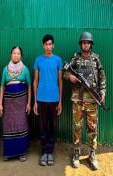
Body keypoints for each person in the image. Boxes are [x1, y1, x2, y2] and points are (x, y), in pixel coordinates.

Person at [63, 32, 106, 170]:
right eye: (83, 42)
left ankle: (92, 154)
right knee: (77, 127)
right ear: (81, 44)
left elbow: (102, 77)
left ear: (91, 44)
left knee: (92, 128)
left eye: (88, 42)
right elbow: (65, 72)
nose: (85, 44)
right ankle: (76, 152)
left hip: (93, 99)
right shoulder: (75, 58)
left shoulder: (96, 59)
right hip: (78, 100)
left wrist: (103, 92)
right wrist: (70, 77)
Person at [33, 34, 63, 166]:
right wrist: (34, 101)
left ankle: (50, 151)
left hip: (55, 99)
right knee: (43, 126)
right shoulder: (38, 60)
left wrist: (60, 101)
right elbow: (35, 81)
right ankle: (44, 151)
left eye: (50, 44)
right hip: (41, 99)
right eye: (46, 44)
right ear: (43, 45)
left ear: (53, 45)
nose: (48, 46)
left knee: (53, 126)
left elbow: (60, 82)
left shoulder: (58, 60)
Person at [0, 46, 32, 161]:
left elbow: (29, 86)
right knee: (8, 126)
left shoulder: (25, 69)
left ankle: (22, 152)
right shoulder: (5, 69)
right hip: (8, 103)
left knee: (21, 125)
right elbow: (2, 86)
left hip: (21, 103)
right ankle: (9, 153)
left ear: (21, 55)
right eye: (14, 53)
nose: (16, 55)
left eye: (18, 53)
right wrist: (0, 104)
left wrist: (28, 103)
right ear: (11, 54)